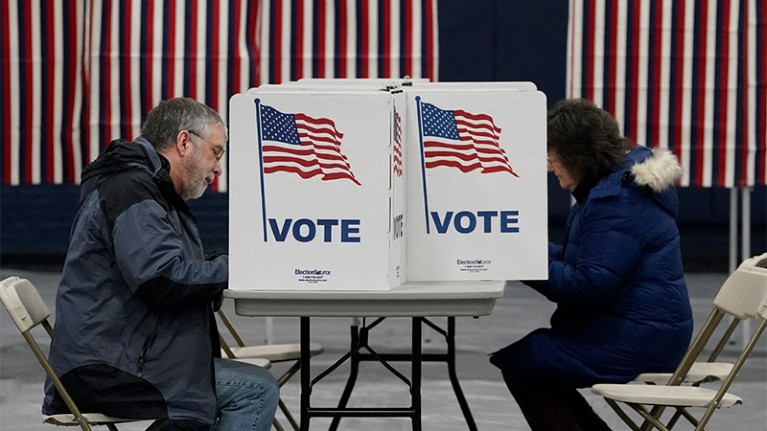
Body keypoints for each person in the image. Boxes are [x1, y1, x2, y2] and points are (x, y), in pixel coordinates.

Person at [42, 97, 279, 431]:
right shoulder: (133, 190)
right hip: (103, 368)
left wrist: (219, 266)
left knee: (229, 387)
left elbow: (166, 265)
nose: (218, 168)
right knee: (255, 389)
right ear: (184, 142)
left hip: (115, 352)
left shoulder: (144, 187)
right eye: (216, 152)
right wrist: (243, 267)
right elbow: (160, 277)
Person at [490, 98, 693, 430]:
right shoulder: (612, 190)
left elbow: (586, 287)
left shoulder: (617, 202)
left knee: (528, 362)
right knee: (533, 361)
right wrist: (520, 247)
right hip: (646, 330)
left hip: (641, 340)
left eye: (552, 157)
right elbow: (584, 263)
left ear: (576, 156)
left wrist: (521, 259)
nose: (549, 166)